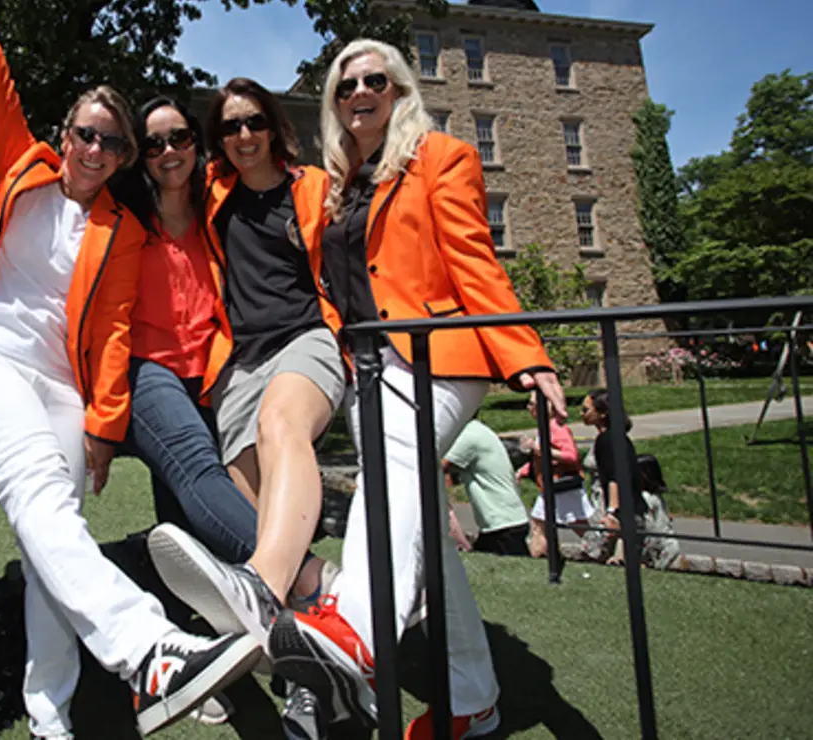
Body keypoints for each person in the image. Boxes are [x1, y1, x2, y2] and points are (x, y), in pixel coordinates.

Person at [0, 4, 261, 737]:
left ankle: (50, 714)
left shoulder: (123, 230)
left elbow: (112, 334)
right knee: (40, 491)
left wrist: (104, 428)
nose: (95, 149)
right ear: (63, 136)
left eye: (112, 142)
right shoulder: (24, 167)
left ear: (123, 156)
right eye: (85, 134)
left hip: (58, 389)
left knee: (54, 531)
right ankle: (151, 652)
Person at [259, 38, 568, 740]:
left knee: (395, 465)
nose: (359, 91)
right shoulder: (339, 181)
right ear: (335, 102)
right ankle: (474, 701)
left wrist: (528, 358)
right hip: (369, 369)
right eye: (345, 85)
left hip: (439, 356)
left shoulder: (442, 157)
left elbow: (475, 262)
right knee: (422, 514)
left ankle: (359, 628)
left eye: (376, 79)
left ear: (399, 89)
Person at [111, 93, 340, 735]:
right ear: (141, 155)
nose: (167, 152)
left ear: (196, 143)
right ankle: (313, 581)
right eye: (152, 143)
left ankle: (208, 654)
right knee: (199, 475)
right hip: (147, 369)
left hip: (214, 371)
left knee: (185, 517)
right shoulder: (124, 215)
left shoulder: (219, 198)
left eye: (178, 137)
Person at [577, 390, 680, 568]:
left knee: (598, 555)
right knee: (624, 560)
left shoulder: (607, 440)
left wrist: (611, 511)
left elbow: (614, 477)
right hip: (630, 509)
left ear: (602, 413)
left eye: (586, 410)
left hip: (619, 509)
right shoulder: (618, 437)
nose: (581, 414)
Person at [517, 391, 594, 558]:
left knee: (578, 526)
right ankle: (544, 555)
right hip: (551, 486)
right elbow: (542, 458)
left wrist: (538, 448)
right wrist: (523, 471)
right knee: (539, 524)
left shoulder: (556, 428)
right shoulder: (546, 426)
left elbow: (571, 456)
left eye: (532, 404)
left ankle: (606, 550)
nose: (528, 408)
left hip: (561, 486)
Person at [443, 418, 531, 556]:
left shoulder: (469, 434)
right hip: (502, 523)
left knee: (518, 571)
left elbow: (441, 466)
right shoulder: (478, 430)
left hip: (503, 524)